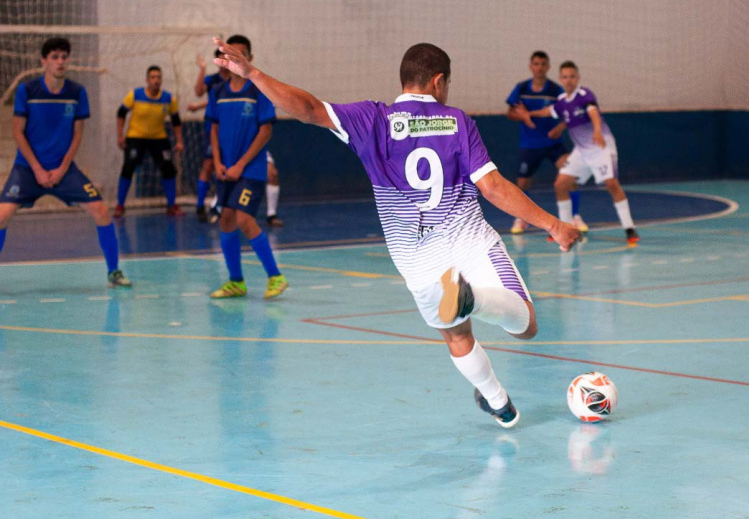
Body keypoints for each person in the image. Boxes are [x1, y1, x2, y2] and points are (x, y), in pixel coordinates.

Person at [213, 38, 580, 427]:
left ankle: (499, 403)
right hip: (471, 241)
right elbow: (492, 187)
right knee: (525, 325)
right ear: (438, 82)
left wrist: (253, 73)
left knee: (457, 336)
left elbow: (307, 109)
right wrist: (553, 225)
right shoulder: (457, 121)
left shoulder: (372, 120)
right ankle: (474, 302)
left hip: (417, 257)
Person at [0, 37, 131, 288]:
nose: (60, 62)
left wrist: (62, 168)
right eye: (54, 57)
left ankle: (114, 272)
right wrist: (37, 169)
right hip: (28, 169)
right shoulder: (27, 91)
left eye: (64, 57)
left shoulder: (76, 92)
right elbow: (18, 132)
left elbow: (77, 133)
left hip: (63, 169)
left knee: (101, 211)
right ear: (44, 61)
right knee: (2, 215)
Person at [205, 34, 287, 299]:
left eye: (241, 54)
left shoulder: (258, 90)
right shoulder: (218, 91)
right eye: (231, 53)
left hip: (250, 170)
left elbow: (266, 132)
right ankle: (236, 282)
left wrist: (241, 164)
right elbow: (214, 130)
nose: (235, 58)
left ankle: (276, 277)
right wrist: (217, 162)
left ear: (249, 59)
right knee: (226, 221)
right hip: (226, 169)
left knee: (243, 218)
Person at [523, 61, 639, 246]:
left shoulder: (584, 95)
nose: (568, 80)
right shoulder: (562, 101)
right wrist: (530, 114)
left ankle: (629, 228)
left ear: (577, 78)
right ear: (561, 79)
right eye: (565, 77)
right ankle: (564, 229)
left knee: (612, 184)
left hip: (600, 146)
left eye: (572, 76)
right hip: (582, 152)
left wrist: (597, 130)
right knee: (560, 184)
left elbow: (593, 112)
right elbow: (549, 111)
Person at [506, 51, 586, 234]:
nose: (539, 68)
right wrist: (522, 116)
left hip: (553, 144)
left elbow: (571, 113)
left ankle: (575, 216)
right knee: (522, 183)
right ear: (530, 66)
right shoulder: (521, 88)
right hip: (530, 145)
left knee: (570, 175)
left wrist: (560, 127)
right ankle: (521, 218)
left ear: (548, 67)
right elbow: (510, 113)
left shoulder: (556, 90)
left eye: (543, 64)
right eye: (536, 64)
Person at [114, 65, 185, 217]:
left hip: (158, 137)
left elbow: (176, 122)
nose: (156, 80)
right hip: (136, 137)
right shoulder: (135, 95)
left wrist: (179, 141)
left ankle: (171, 205)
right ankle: (120, 205)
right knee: (128, 167)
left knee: (168, 168)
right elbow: (121, 114)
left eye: (158, 77)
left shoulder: (168, 99)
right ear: (147, 80)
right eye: (152, 77)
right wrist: (120, 135)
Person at [188, 49, 230, 221]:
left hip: (232, 130)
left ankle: (221, 205)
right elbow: (199, 92)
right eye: (220, 57)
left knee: (228, 167)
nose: (223, 60)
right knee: (208, 165)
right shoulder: (212, 80)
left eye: (225, 57)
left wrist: (198, 106)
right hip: (213, 129)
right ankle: (200, 206)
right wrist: (202, 70)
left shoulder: (237, 81)